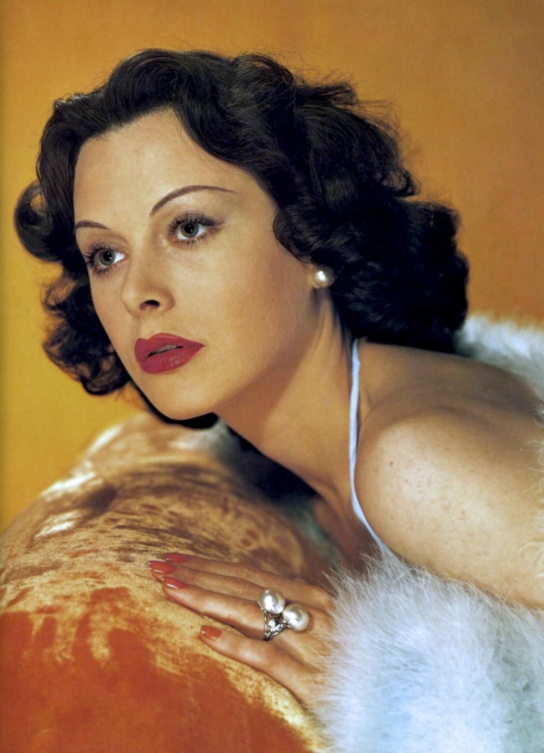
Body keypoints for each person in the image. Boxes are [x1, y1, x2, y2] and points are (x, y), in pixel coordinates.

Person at [15, 49, 544, 743]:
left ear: (311, 240)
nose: (139, 290)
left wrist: (399, 687)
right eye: (105, 255)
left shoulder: (416, 463)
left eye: (189, 227)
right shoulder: (319, 450)